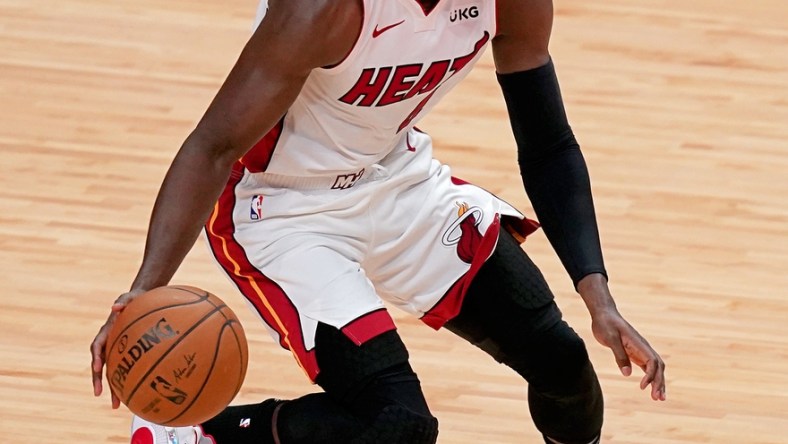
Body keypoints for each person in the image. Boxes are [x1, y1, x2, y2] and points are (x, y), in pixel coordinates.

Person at [90, 0, 667, 443]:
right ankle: (197, 432)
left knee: (562, 364)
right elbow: (213, 147)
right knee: (397, 426)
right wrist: (143, 290)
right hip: (284, 210)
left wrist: (599, 297)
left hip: (396, 179)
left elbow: (548, 144)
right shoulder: (326, 9)